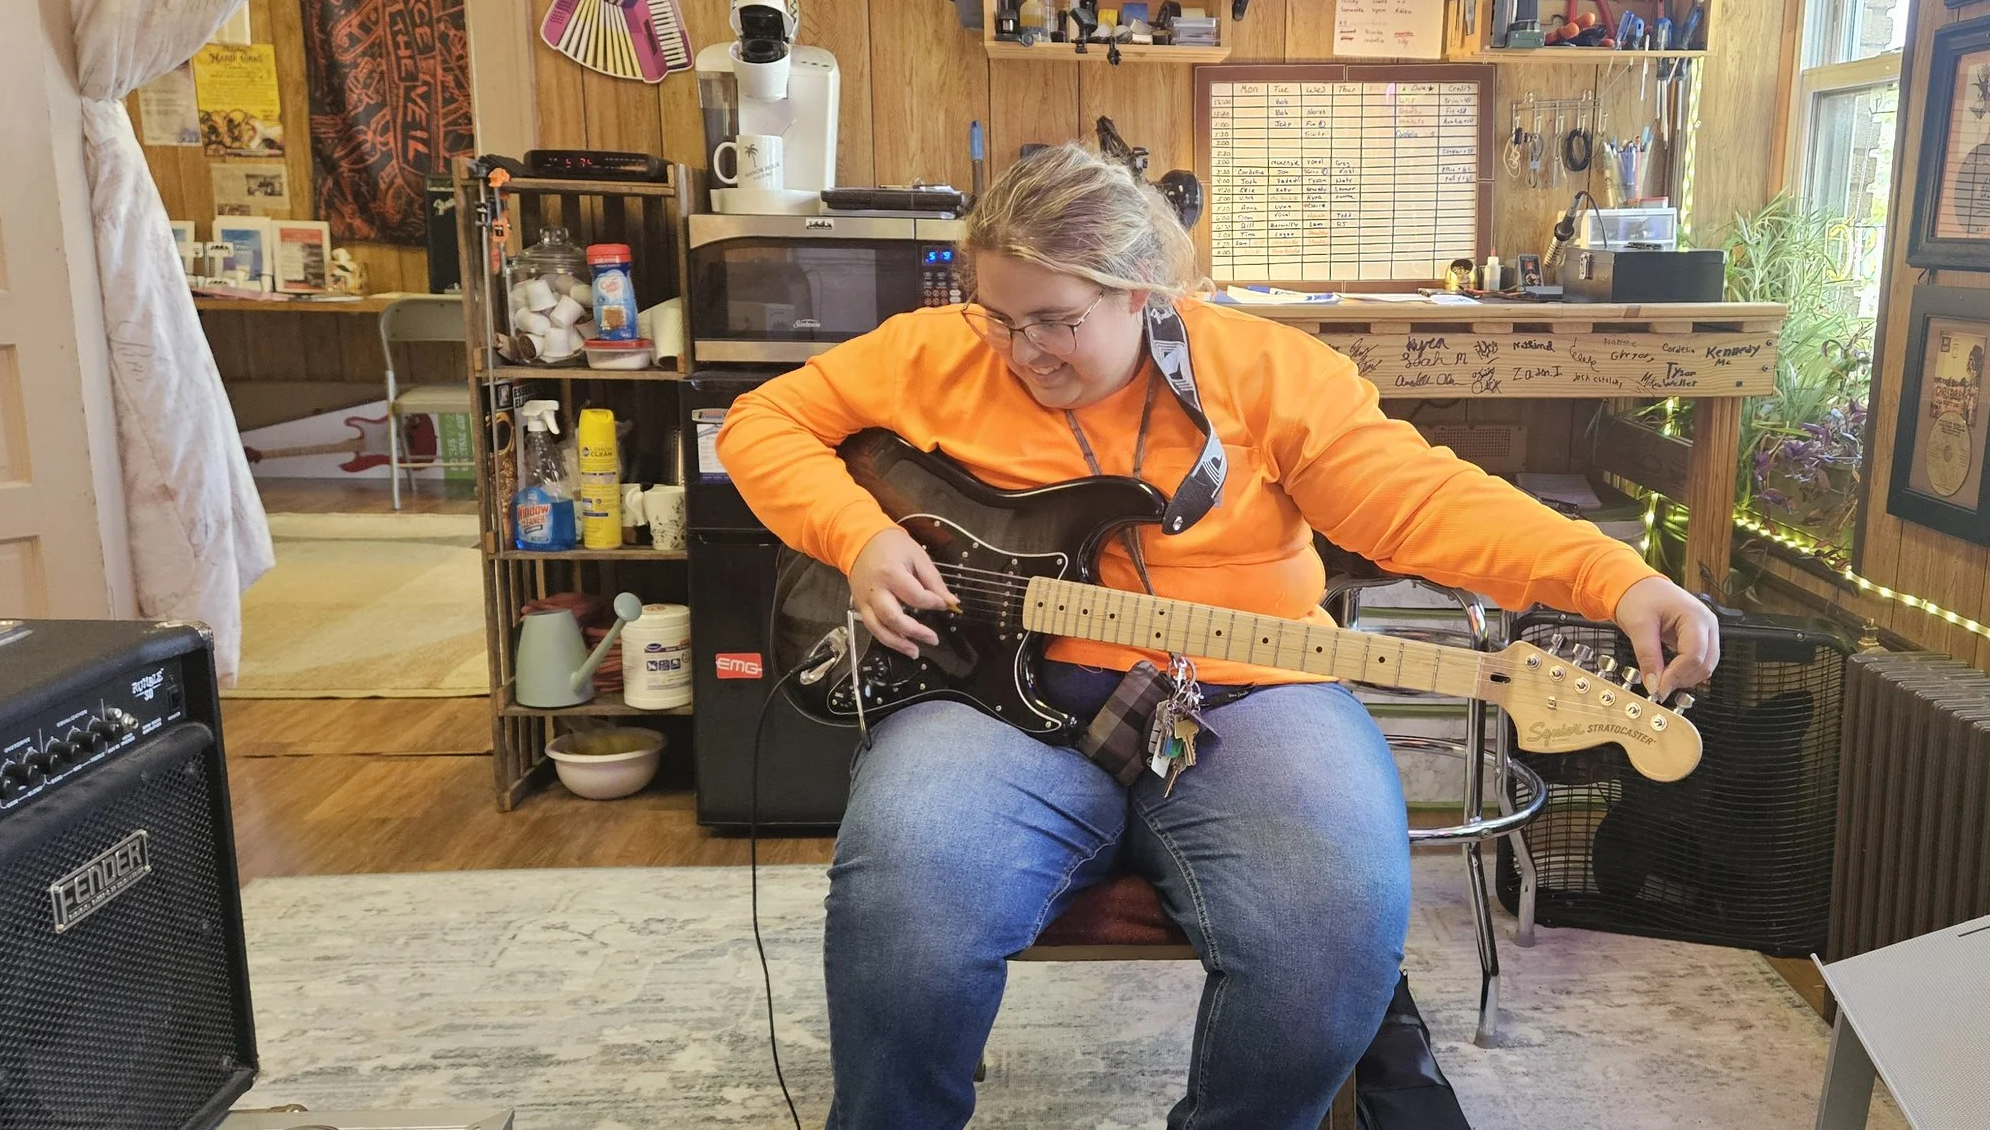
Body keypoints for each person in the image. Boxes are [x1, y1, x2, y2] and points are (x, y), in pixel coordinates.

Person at [715, 143, 1720, 1130]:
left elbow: (1422, 504)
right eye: (1000, 318)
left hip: (1254, 691)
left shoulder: (1264, 370)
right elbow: (760, 425)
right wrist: (859, 537)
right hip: (984, 701)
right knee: (905, 913)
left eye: (1055, 321)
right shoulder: (930, 353)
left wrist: (1613, 577)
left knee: (1328, 940)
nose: (1023, 353)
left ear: (1142, 289)